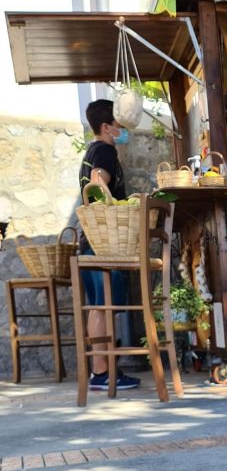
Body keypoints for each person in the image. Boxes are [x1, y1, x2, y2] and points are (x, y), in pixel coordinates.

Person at [78, 99, 140, 391]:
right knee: (105, 306)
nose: (122, 129)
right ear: (106, 127)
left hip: (90, 240)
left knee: (97, 307)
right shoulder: (104, 150)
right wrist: (113, 207)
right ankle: (104, 372)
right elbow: (97, 183)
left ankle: (99, 372)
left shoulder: (91, 151)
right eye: (118, 125)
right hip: (103, 242)